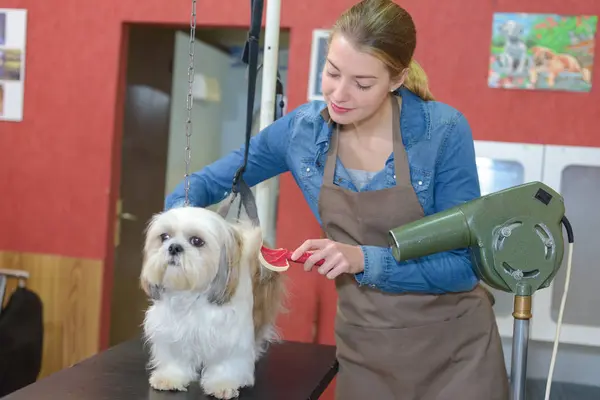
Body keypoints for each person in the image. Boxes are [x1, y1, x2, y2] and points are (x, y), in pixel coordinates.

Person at [165, 0, 509, 398]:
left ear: (396, 79)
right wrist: (172, 236)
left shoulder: (443, 133)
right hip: (366, 350)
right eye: (331, 72)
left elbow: (464, 266)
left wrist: (364, 259)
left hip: (455, 355)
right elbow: (210, 181)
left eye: (362, 84)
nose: (340, 95)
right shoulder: (302, 132)